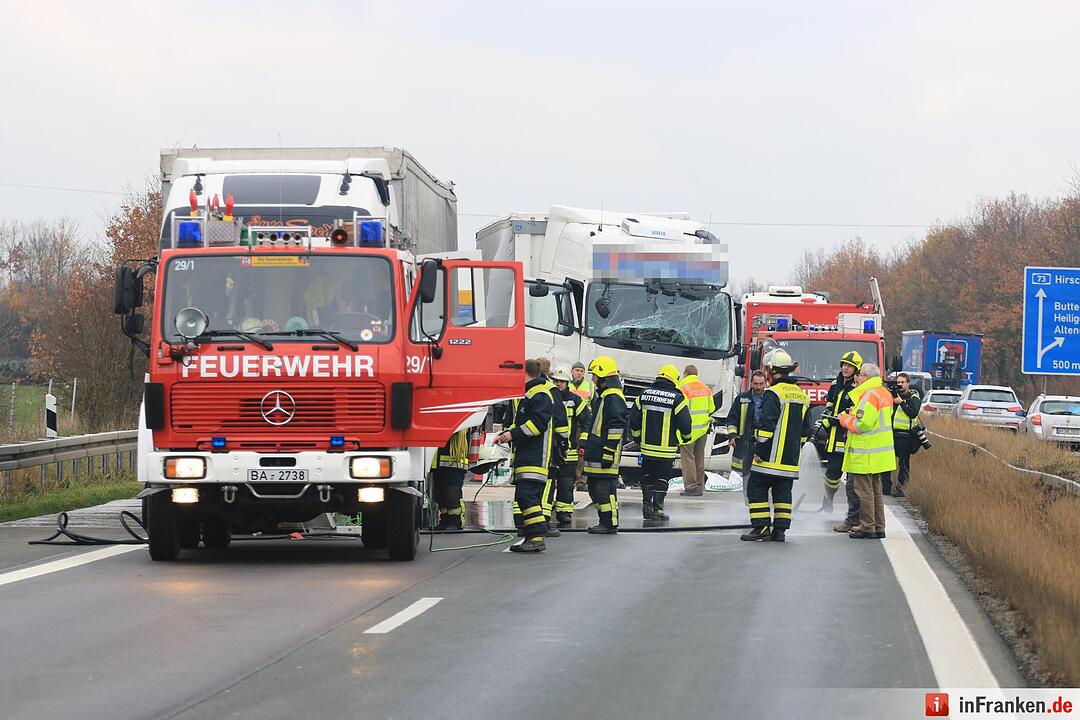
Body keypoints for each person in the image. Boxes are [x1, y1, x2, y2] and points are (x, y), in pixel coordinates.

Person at [740, 350, 811, 542]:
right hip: (789, 460)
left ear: (772, 370)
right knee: (782, 492)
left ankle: (761, 527)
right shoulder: (802, 395)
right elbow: (807, 430)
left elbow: (767, 427)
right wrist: (796, 451)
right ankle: (779, 531)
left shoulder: (773, 393)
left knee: (756, 488)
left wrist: (759, 451)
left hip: (769, 458)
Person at [494, 359, 555, 552]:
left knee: (528, 497)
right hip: (527, 455)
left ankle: (536, 537)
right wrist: (507, 435)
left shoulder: (540, 394)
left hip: (535, 457)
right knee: (525, 497)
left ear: (524, 374)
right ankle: (533, 535)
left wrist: (512, 434)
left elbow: (537, 424)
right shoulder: (529, 394)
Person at [837, 363, 896, 539]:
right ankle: (878, 526)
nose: (857, 377)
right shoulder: (883, 392)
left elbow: (863, 424)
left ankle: (867, 527)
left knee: (864, 491)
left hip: (866, 451)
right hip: (879, 452)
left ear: (868, 378)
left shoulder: (869, 395)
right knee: (876, 490)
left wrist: (845, 419)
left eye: (860, 375)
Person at [629, 364, 692, 522]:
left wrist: (637, 438)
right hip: (666, 450)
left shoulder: (644, 395)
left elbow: (634, 419)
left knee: (647, 477)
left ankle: (646, 506)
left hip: (647, 449)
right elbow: (685, 422)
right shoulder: (677, 398)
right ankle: (657, 509)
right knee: (662, 479)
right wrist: (685, 438)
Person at [582, 355, 628, 534]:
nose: (592, 379)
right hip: (597, 453)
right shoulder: (606, 396)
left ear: (603, 377)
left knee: (603, 490)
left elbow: (616, 426)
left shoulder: (613, 397)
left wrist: (608, 451)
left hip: (604, 454)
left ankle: (609, 523)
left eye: (594, 375)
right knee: (595, 488)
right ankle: (606, 521)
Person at [819, 351, 861, 518]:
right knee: (832, 471)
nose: (845, 367)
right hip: (834, 435)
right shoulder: (836, 383)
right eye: (844, 364)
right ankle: (827, 501)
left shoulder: (857, 387)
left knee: (851, 476)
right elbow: (830, 403)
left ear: (856, 369)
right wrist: (826, 416)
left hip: (848, 433)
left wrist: (832, 420)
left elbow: (851, 410)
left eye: (849, 365)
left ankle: (853, 510)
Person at [550, 366, 591, 526]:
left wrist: (583, 442)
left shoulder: (575, 400)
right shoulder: (548, 397)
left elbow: (586, 421)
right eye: (556, 381)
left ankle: (564, 512)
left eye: (562, 381)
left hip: (569, 451)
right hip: (551, 449)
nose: (559, 384)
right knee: (548, 483)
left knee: (566, 483)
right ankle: (546, 511)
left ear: (567, 383)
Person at [536, 357, 569, 537]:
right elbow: (561, 421)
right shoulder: (551, 390)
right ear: (549, 373)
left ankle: (526, 522)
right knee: (548, 483)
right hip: (548, 448)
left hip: (525, 447)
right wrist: (564, 444)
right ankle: (543, 522)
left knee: (528, 486)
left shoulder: (523, 388)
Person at [726, 370, 768, 500]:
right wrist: (732, 435)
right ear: (751, 383)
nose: (758, 387)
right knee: (745, 471)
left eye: (761, 384)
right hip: (746, 441)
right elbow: (732, 418)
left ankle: (763, 498)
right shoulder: (742, 398)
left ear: (766, 383)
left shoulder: (770, 398)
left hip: (763, 441)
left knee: (763, 471)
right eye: (755, 384)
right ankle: (746, 498)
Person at [678, 365, 715, 496]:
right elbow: (712, 408)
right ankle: (700, 487)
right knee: (700, 459)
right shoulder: (706, 388)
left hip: (688, 429)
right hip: (703, 429)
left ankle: (690, 487)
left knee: (688, 459)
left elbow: (681, 410)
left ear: (685, 374)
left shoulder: (683, 387)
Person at [888, 372, 922, 497]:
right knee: (887, 460)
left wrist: (901, 402)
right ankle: (886, 486)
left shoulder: (913, 396)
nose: (900, 385)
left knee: (903, 462)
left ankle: (901, 488)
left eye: (902, 382)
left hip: (906, 435)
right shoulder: (892, 395)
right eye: (898, 382)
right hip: (891, 433)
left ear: (908, 383)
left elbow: (913, 412)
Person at [430, 428, 471, 530]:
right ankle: (444, 520)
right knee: (439, 493)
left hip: (454, 461)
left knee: (452, 492)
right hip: (438, 462)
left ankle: (455, 521)